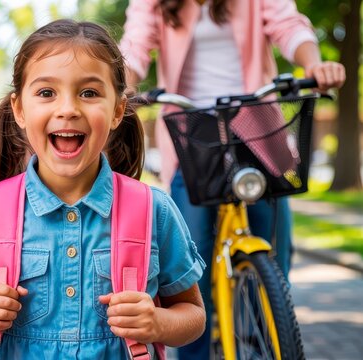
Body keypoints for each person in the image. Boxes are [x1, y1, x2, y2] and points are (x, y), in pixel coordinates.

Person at [0, 19, 207, 359]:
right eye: (47, 92)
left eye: (89, 93)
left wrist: (157, 322)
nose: (68, 109)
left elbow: (192, 315)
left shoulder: (154, 209)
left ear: (117, 110)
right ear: (19, 109)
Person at [119, 0, 346, 358]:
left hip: (254, 123)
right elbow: (136, 43)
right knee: (189, 268)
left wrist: (314, 63)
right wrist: (120, 83)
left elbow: (289, 25)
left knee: (274, 248)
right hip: (192, 129)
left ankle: (269, 339)